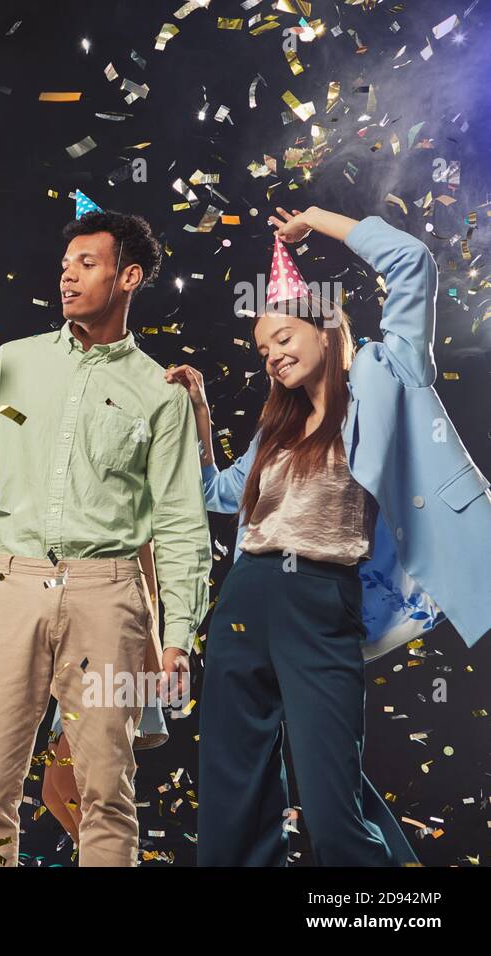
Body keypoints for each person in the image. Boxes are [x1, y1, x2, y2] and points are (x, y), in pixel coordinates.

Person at [170, 205, 491, 865]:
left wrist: (314, 220)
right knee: (234, 800)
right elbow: (213, 493)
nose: (273, 355)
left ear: (325, 327)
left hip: (320, 599)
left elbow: (413, 265)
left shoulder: (386, 373)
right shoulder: (275, 430)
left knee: (330, 807)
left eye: (283, 336)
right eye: (263, 349)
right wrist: (199, 413)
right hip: (244, 598)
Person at [0, 210, 211, 867]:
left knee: (106, 796)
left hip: (108, 596)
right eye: (66, 264)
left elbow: (179, 518)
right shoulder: (12, 363)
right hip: (11, 584)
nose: (68, 273)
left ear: (129, 277)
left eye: (88, 263)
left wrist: (178, 635)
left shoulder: (159, 392)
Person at [41, 541, 168, 854]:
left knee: (71, 785)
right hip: (73, 648)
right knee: (54, 794)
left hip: (108, 642)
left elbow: (143, 574)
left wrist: (152, 652)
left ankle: (109, 858)